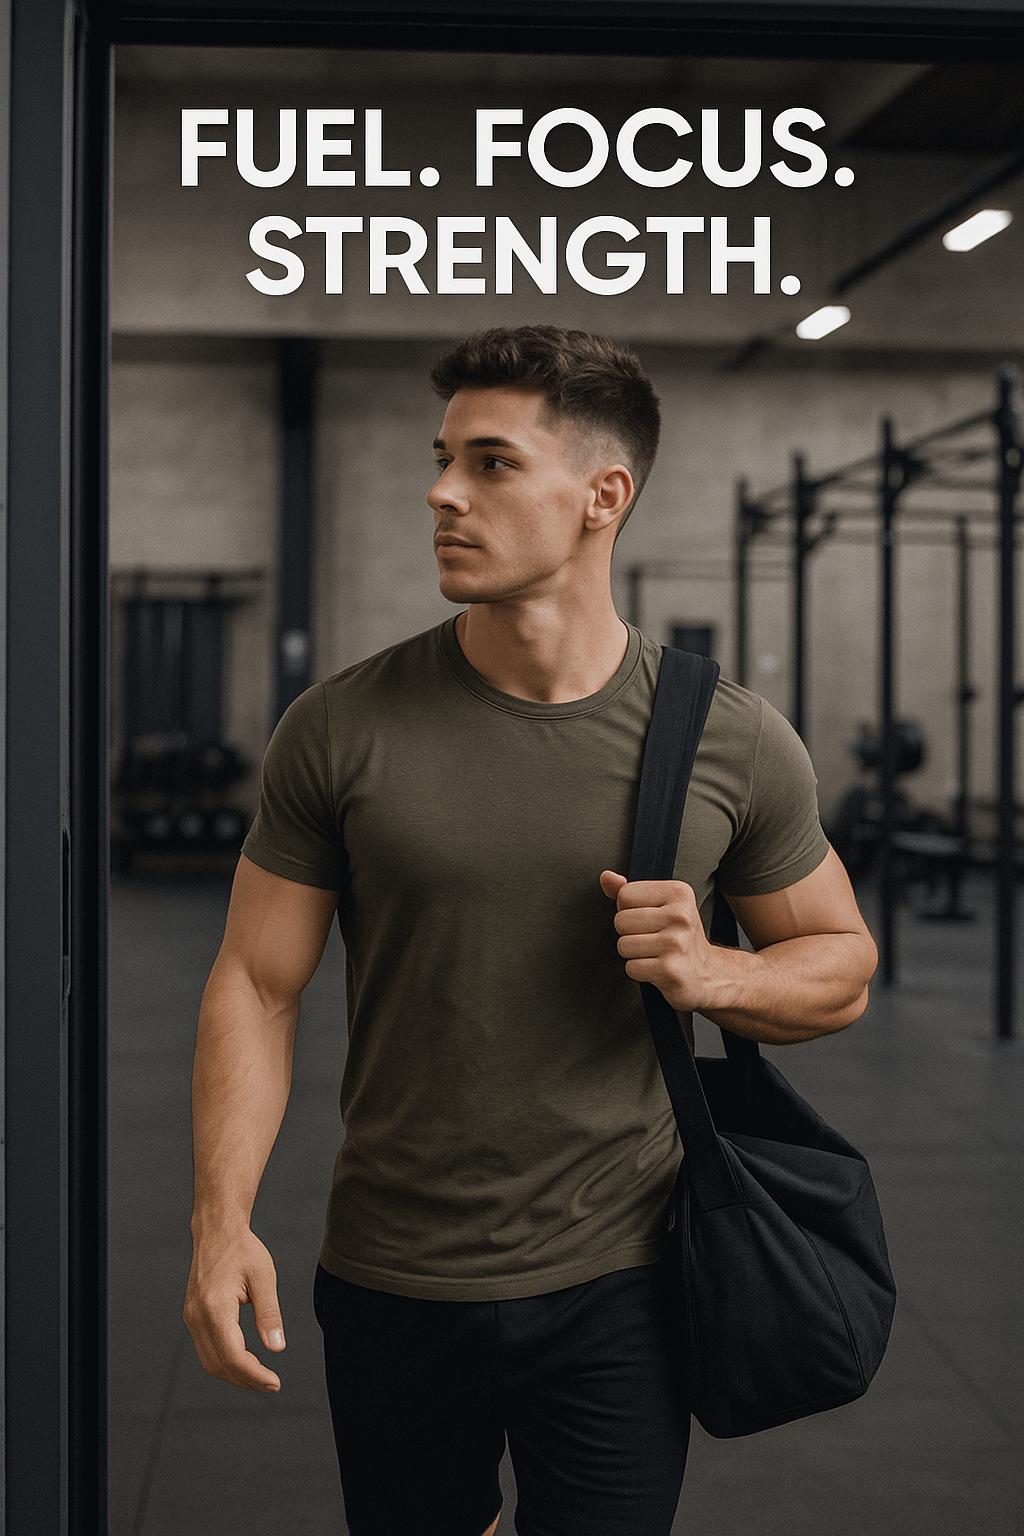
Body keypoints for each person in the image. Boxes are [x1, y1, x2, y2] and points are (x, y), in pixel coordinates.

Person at [184, 325, 877, 1536]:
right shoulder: (339, 727)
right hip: (391, 1271)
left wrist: (713, 971)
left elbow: (842, 966)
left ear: (601, 496)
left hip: (622, 1275)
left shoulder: (728, 737)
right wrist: (219, 1218)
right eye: (442, 458)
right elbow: (256, 980)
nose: (442, 492)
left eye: (491, 463)